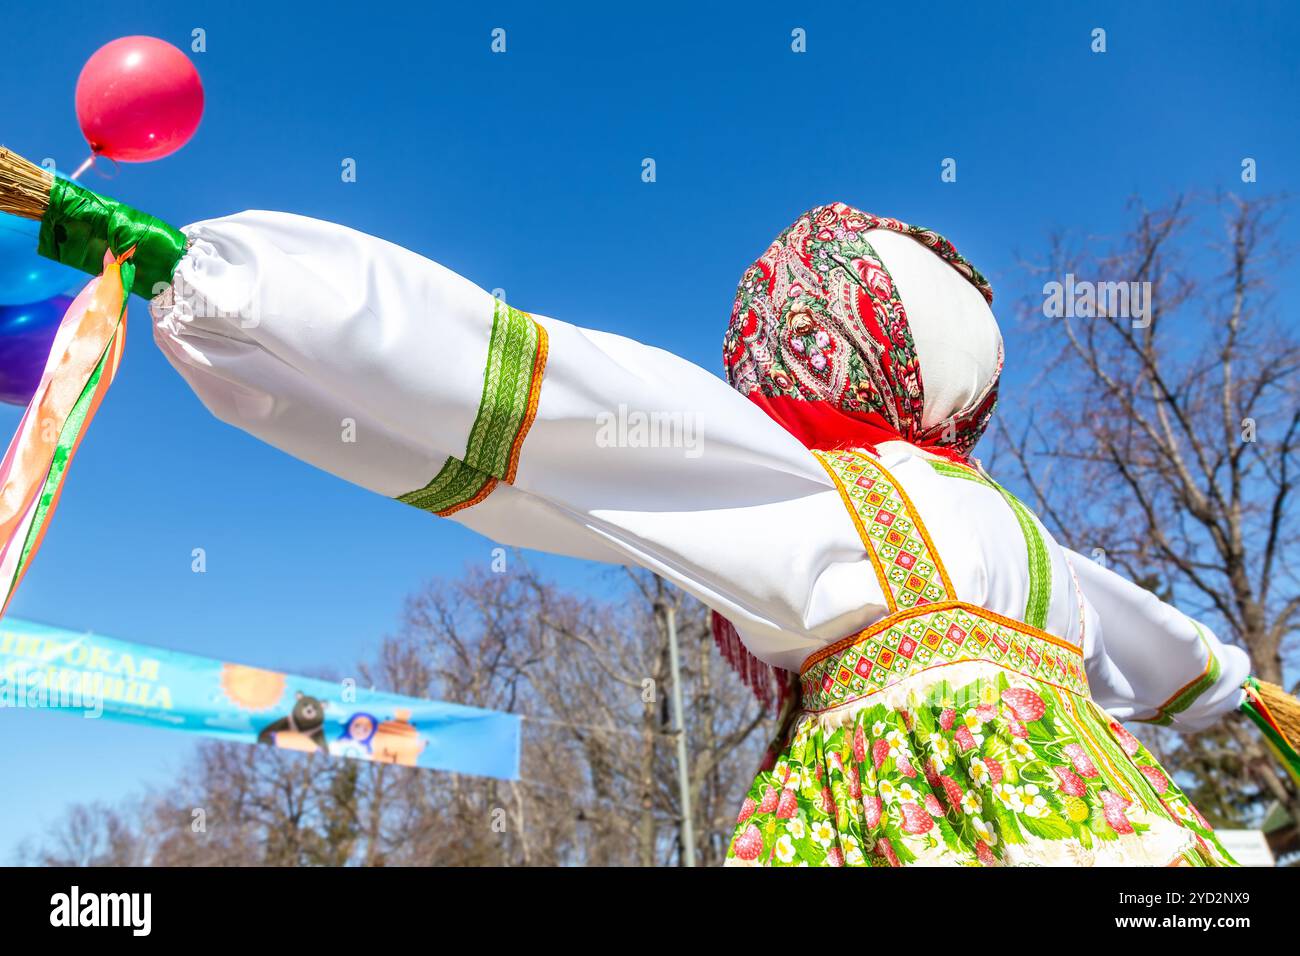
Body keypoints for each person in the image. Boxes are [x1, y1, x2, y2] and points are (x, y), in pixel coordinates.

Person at [20, 169, 1267, 865]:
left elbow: (519, 378)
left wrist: (216, 277)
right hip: (1108, 811)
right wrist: (1243, 689)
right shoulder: (1026, 538)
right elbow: (1154, 632)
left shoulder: (813, 485)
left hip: (883, 818)